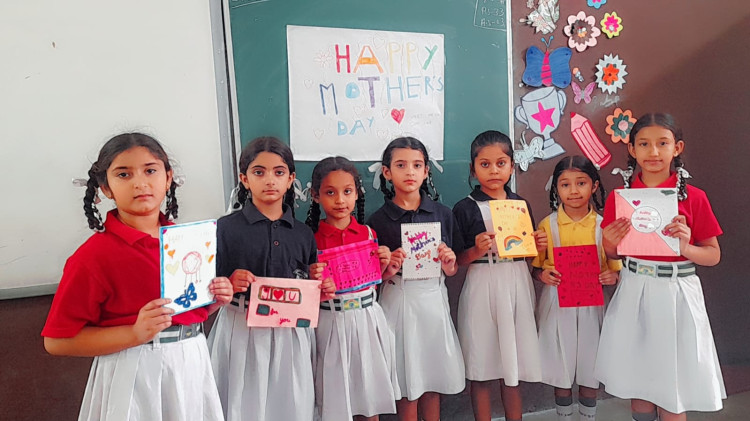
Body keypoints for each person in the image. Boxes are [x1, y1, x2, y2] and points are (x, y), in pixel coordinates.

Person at [42, 132, 230, 421]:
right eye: (124, 174)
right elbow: (56, 342)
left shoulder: (188, 242)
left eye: (150, 171)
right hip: (136, 369)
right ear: (106, 188)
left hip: (192, 361)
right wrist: (134, 333)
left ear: (168, 178)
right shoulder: (93, 255)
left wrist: (214, 299)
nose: (140, 183)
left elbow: (184, 313)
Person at [595, 113, 726, 421]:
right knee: (639, 383)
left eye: (662, 143)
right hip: (634, 288)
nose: (653, 152)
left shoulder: (694, 197)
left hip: (676, 293)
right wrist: (609, 243)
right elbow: (615, 252)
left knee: (672, 387)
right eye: (644, 144)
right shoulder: (621, 198)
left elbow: (713, 255)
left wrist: (685, 247)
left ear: (677, 148)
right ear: (632, 149)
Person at [207, 136, 335, 421]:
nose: (269, 180)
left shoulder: (303, 233)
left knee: (292, 404)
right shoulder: (224, 229)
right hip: (241, 328)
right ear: (244, 179)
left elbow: (307, 284)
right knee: (243, 404)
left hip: (291, 331)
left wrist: (320, 291)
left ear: (290, 179)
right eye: (259, 172)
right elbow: (206, 288)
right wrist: (228, 283)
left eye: (278, 172)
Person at [367, 137, 465, 421]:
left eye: (417, 165)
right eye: (401, 165)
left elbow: (453, 268)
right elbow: (374, 276)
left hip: (433, 298)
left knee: (432, 377)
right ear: (387, 172)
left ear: (426, 171)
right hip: (398, 299)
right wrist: (388, 266)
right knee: (406, 380)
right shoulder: (378, 220)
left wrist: (449, 263)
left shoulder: (442, 214)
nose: (409, 172)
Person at [452, 130, 544, 421]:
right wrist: (475, 250)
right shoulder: (464, 208)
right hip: (482, 282)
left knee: (511, 365)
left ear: (512, 167)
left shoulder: (520, 205)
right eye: (485, 164)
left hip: (516, 282)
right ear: (473, 169)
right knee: (481, 363)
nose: (494, 170)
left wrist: (537, 246)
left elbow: (528, 256)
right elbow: (459, 260)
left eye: (501, 163)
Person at [305, 156, 400, 421]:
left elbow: (373, 281)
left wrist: (387, 266)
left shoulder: (368, 234)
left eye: (347, 191)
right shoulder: (310, 240)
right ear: (315, 195)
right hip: (330, 322)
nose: (340, 200)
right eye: (330, 193)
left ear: (357, 193)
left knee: (369, 394)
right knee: (336, 396)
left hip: (368, 318)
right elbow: (306, 294)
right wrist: (314, 282)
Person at [531, 155, 621, 421]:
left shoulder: (604, 226)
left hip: (593, 305)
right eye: (565, 184)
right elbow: (535, 269)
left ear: (594, 186)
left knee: (590, 367)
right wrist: (543, 274)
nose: (573, 191)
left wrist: (612, 277)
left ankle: (588, 416)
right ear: (556, 189)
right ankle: (564, 416)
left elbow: (615, 270)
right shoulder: (547, 225)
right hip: (558, 304)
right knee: (560, 365)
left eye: (581, 183)